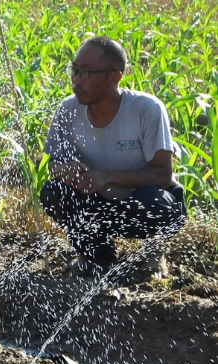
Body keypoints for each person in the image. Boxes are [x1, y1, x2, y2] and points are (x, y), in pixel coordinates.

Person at [40, 36, 186, 275]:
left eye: (86, 72)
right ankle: (96, 256)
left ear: (113, 77)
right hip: (98, 202)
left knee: (156, 201)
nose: (76, 80)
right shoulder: (68, 110)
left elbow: (162, 174)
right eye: (74, 70)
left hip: (143, 202)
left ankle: (153, 254)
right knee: (53, 192)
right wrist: (64, 170)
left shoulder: (146, 109)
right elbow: (53, 164)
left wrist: (106, 176)